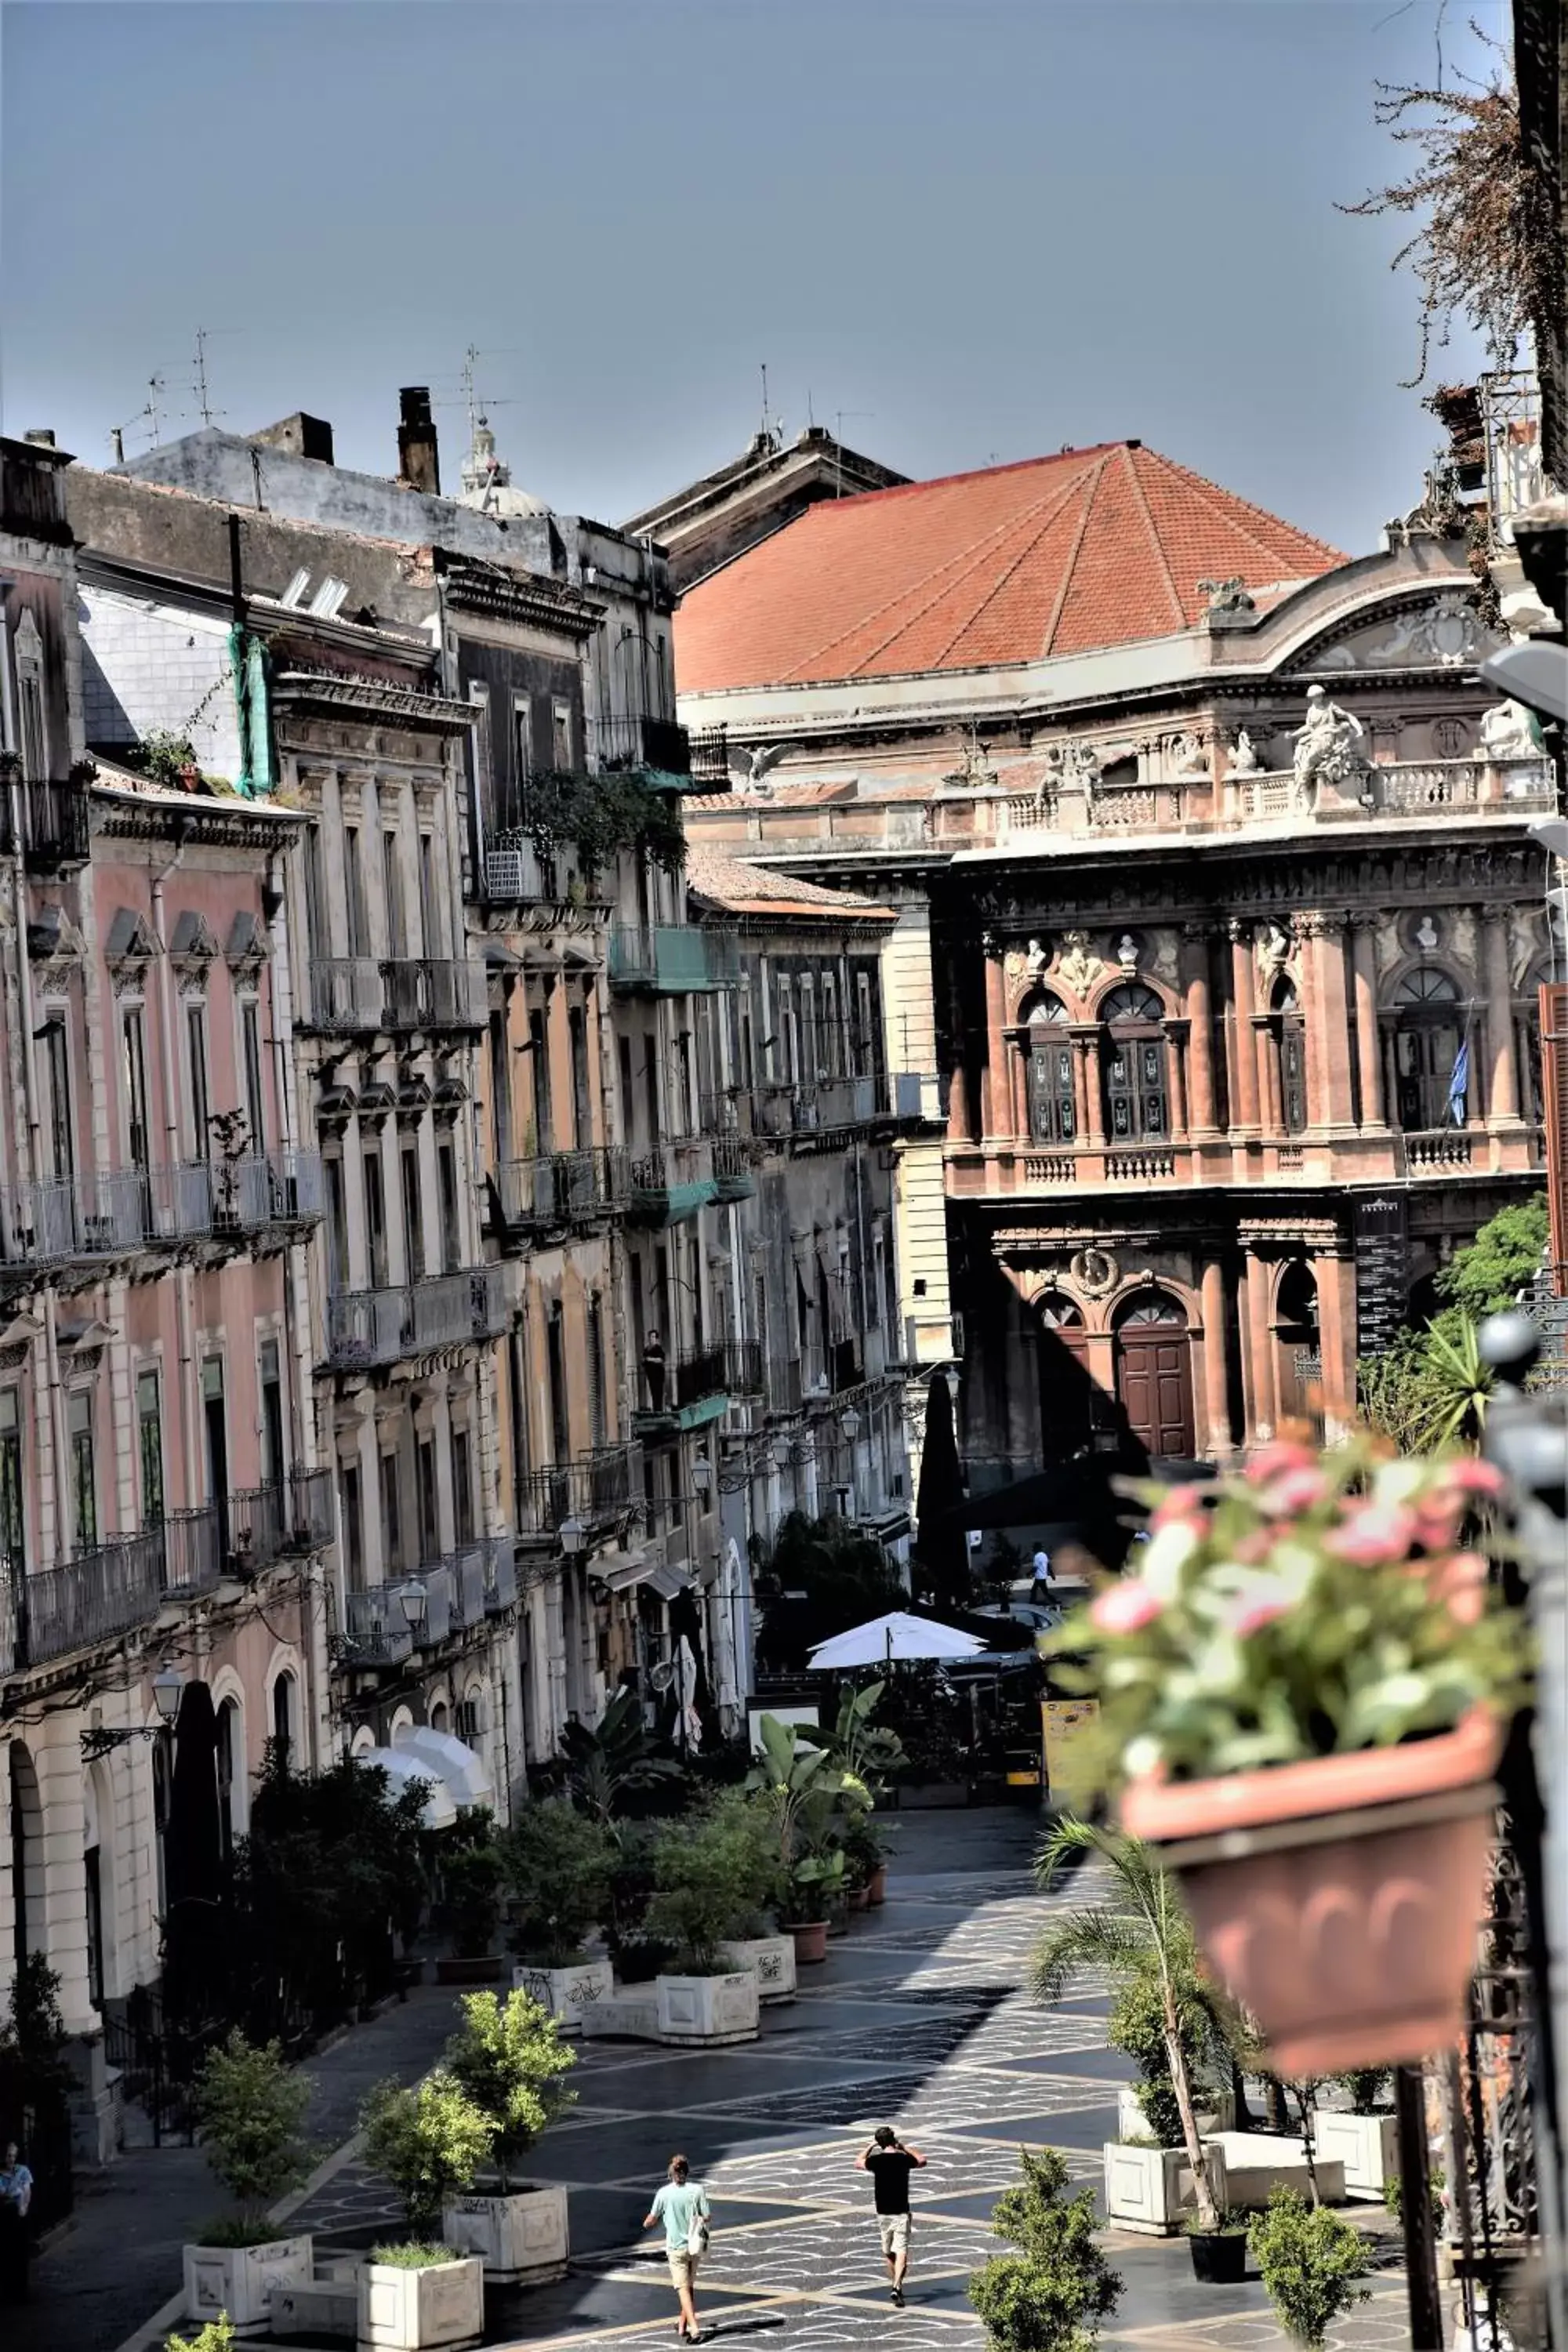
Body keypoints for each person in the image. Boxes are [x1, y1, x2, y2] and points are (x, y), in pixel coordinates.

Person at [643, 2152, 710, 2343]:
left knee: (682, 2288)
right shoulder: (698, 2190)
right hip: (694, 2246)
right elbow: (707, 2216)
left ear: (671, 2174)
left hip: (676, 2248)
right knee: (689, 2287)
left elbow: (652, 2219)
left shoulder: (663, 2193)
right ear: (687, 2172)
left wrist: (646, 2224)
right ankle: (682, 2324)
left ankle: (694, 2328)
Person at [858, 2123, 926, 2306]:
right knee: (901, 2250)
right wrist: (904, 2148)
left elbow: (858, 2162)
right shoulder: (903, 2159)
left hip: (883, 2213)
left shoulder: (876, 2161)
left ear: (879, 2143)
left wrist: (870, 2146)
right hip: (901, 2211)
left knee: (890, 2253)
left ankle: (896, 2285)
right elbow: (922, 2160)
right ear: (893, 2140)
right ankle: (897, 2286)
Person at [0, 2139, 33, 2304]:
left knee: (20, 2254)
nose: (11, 2159)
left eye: (13, 2156)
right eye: (8, 2156)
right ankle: (9, 2290)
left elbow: (26, 2190)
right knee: (7, 2254)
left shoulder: (23, 2171)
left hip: (19, 2215)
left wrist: (24, 2205)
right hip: (5, 2216)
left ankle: (21, 2290)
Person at [643, 1328, 667, 1416]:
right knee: (653, 1393)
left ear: (656, 1339)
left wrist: (650, 1359)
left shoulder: (658, 1349)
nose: (651, 1339)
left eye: (653, 1337)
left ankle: (659, 1411)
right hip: (651, 1376)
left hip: (659, 1375)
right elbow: (644, 1360)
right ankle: (655, 1411)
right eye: (650, 1337)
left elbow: (661, 1360)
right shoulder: (647, 1350)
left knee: (659, 1394)